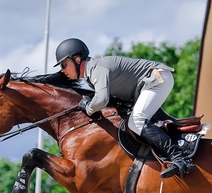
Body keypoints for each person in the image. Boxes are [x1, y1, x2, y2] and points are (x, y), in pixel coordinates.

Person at [54, 38, 195, 179]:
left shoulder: (97, 69)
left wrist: (88, 108)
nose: (62, 70)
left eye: (64, 64)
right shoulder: (92, 75)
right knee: (134, 121)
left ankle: (180, 158)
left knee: (136, 121)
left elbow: (102, 100)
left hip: (156, 79)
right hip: (149, 84)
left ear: (77, 59)